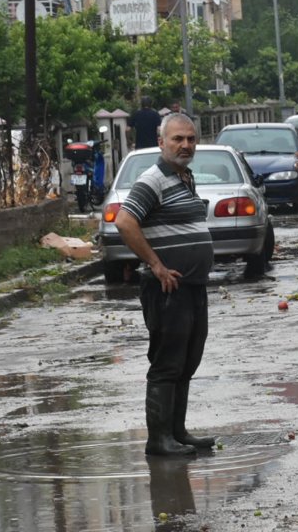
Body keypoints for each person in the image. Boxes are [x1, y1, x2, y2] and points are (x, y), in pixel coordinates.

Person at [114, 114, 216, 456]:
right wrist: (156, 265)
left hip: (192, 286)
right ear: (161, 143)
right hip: (167, 290)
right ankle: (159, 439)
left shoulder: (185, 177)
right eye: (177, 139)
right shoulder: (153, 179)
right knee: (167, 363)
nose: (185, 145)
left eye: (190, 139)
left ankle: (177, 432)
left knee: (188, 360)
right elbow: (125, 222)